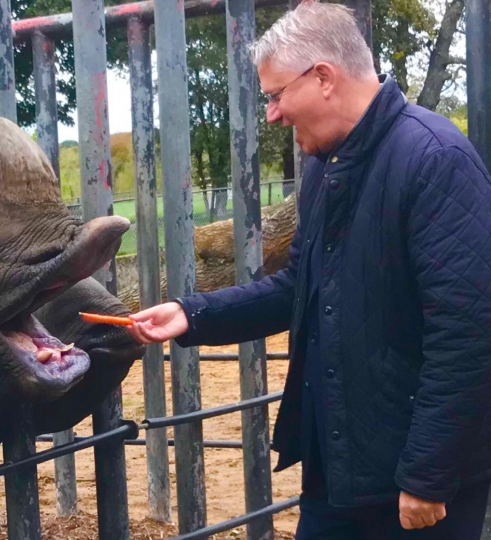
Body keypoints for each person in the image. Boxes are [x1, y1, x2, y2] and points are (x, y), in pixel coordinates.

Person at [126, 1, 491, 538]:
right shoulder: (325, 170)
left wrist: (429, 474)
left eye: (275, 95)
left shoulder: (435, 160)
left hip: (411, 484)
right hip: (338, 467)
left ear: (323, 77)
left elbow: (468, 332)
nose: (271, 113)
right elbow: (298, 286)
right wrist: (193, 312)